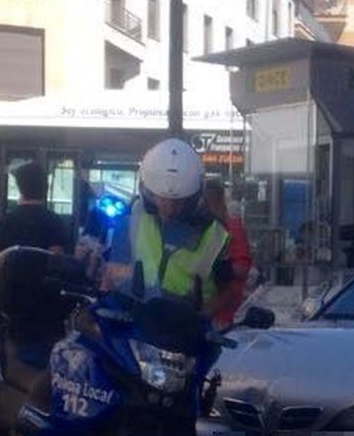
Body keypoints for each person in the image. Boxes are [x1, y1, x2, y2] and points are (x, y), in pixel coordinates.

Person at [103, 140, 234, 317]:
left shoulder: (215, 234)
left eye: (179, 202)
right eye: (162, 199)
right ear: (148, 192)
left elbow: (229, 289)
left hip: (187, 328)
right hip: (137, 322)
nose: (170, 209)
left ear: (193, 197)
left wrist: (204, 315)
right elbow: (111, 276)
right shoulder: (131, 221)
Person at [0, 160, 69, 261]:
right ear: (46, 188)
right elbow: (57, 260)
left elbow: (0, 260)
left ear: (20, 188)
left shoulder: (6, 221)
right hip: (42, 276)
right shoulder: (55, 222)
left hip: (12, 276)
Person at [202, 178, 254, 328]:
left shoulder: (231, 227)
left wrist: (221, 268)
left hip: (223, 315)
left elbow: (242, 269)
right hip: (204, 311)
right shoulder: (202, 228)